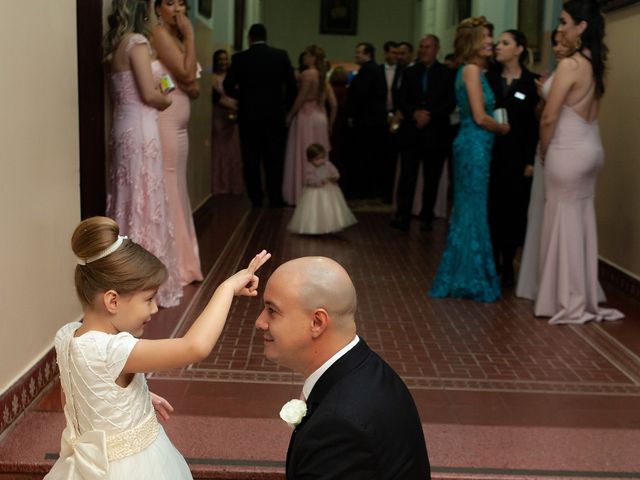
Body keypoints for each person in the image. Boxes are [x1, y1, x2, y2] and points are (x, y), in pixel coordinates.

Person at [45, 216, 269, 479]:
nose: (153, 308)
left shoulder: (67, 336)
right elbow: (193, 347)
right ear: (113, 301)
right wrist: (227, 288)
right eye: (148, 299)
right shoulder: (113, 350)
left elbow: (75, 398)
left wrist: (128, 401)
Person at [255, 257, 430, 479]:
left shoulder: (339, 425)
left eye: (272, 310)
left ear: (317, 322)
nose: (260, 322)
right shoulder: (371, 370)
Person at [535, 0, 623, 324]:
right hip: (591, 145)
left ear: (581, 27)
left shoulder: (571, 65)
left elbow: (549, 116)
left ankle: (564, 298)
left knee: (561, 221)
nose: (559, 27)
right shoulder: (594, 63)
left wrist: (544, 150)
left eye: (564, 21)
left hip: (567, 148)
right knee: (580, 220)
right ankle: (580, 294)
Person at [103, 0, 182, 308]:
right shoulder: (136, 43)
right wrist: (166, 98)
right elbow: (152, 95)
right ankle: (140, 282)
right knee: (144, 199)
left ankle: (125, 275)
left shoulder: (118, 44)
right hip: (141, 129)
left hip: (125, 127)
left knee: (129, 196)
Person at [429, 17, 509, 302]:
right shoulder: (472, 70)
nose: (490, 41)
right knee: (472, 209)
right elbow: (479, 116)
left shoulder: (471, 70)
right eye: (486, 37)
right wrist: (503, 128)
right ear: (473, 41)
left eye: (491, 36)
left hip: (475, 145)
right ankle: (470, 278)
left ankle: (465, 273)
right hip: (474, 145)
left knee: (469, 209)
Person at [152, 0, 203, 286]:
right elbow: (185, 75)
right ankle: (175, 264)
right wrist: (192, 36)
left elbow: (194, 88)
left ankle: (186, 260)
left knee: (178, 188)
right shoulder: (159, 33)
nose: (178, 9)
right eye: (170, 3)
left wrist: (187, 40)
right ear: (157, 8)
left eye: (182, 3)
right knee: (170, 186)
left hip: (179, 124)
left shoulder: (176, 38)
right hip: (166, 121)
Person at [487, 30, 540, 288]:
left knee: (514, 211)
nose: (499, 46)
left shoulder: (531, 83)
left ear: (519, 49)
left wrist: (530, 161)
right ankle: (493, 261)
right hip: (490, 155)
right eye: (498, 42)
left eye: (505, 43)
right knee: (492, 209)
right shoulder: (489, 78)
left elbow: (533, 126)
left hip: (517, 157)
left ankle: (508, 263)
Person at [223, 23, 297, 208]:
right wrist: (284, 106)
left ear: (250, 38)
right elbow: (292, 87)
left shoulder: (240, 58)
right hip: (274, 116)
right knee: (274, 157)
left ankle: (256, 198)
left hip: (249, 116)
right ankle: (275, 197)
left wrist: (243, 97)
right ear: (266, 36)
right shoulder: (280, 56)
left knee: (250, 158)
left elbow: (227, 86)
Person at [392, 34, 456, 232]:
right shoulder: (410, 72)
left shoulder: (447, 73)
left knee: (432, 178)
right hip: (412, 132)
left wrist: (430, 115)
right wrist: (414, 113)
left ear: (436, 49)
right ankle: (403, 216)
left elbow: (450, 101)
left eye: (427, 47)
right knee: (407, 177)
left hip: (436, 133)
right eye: (421, 47)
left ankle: (427, 216)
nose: (423, 50)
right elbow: (400, 98)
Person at [282, 45, 336, 205]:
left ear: (312, 57)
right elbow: (334, 104)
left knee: (304, 153)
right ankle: (319, 195)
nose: (304, 58)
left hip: (306, 117)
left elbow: (301, 98)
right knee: (319, 156)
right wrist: (330, 124)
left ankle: (300, 193)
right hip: (320, 118)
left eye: (306, 55)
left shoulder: (307, 74)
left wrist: (290, 115)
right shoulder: (323, 76)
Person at [346, 42, 386, 199]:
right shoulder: (373, 69)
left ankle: (363, 190)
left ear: (368, 54)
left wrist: (352, 115)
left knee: (364, 157)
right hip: (371, 121)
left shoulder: (368, 70)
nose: (356, 55)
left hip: (367, 122)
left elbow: (360, 96)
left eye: (359, 52)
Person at [287, 144, 357, 235]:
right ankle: (315, 227)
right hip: (315, 193)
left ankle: (330, 226)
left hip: (329, 191)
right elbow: (309, 180)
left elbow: (335, 173)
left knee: (329, 208)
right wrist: (319, 182)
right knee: (316, 210)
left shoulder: (328, 164)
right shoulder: (310, 168)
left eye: (322, 158)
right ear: (310, 159)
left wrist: (333, 178)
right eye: (317, 159)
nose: (321, 161)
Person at [211, 49, 244, 195]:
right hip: (220, 116)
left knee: (233, 151)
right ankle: (220, 184)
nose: (223, 62)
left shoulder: (233, 77)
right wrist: (231, 105)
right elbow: (215, 98)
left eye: (225, 59)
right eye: (220, 59)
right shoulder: (212, 78)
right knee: (220, 151)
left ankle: (233, 184)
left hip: (233, 116)